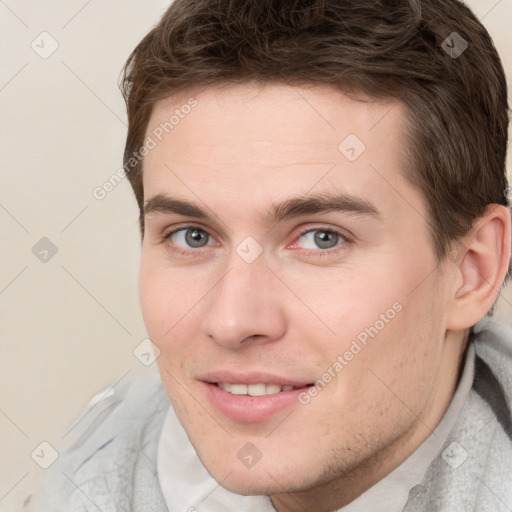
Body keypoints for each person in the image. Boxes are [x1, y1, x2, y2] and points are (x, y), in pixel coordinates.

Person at [27, 0, 512, 510]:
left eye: (322, 238)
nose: (232, 321)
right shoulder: (87, 470)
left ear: (471, 270)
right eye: (192, 236)